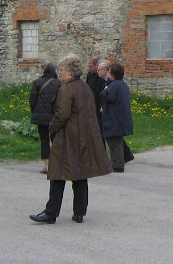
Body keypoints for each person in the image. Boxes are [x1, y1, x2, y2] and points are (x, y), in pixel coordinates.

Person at [30, 54, 111, 224]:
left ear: (70, 72)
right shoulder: (85, 87)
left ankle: (51, 213)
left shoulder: (66, 89)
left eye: (62, 69)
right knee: (79, 174)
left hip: (67, 137)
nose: (59, 73)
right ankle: (79, 212)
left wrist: (52, 128)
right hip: (83, 136)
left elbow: (62, 114)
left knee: (57, 175)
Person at [100, 63, 134, 173]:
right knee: (116, 140)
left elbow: (109, 97)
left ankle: (117, 164)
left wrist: (104, 91)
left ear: (113, 74)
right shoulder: (122, 84)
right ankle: (121, 160)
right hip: (120, 116)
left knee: (114, 141)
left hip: (114, 117)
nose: (108, 74)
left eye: (109, 72)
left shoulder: (114, 85)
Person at [29, 63, 61, 174]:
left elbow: (32, 100)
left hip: (40, 117)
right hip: (54, 116)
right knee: (55, 140)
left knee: (44, 141)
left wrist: (35, 112)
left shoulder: (37, 82)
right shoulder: (58, 83)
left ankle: (46, 166)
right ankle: (55, 164)